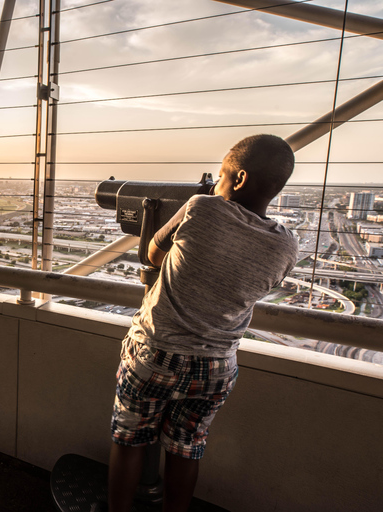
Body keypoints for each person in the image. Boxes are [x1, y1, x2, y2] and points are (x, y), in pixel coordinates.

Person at [106, 134, 299, 512]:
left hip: (156, 353)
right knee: (186, 447)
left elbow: (154, 253)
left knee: (129, 439)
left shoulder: (202, 209)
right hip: (215, 367)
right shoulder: (286, 245)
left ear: (238, 178)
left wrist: (207, 197)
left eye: (222, 178)